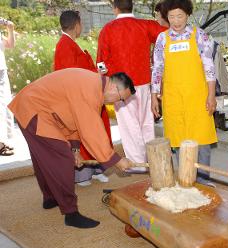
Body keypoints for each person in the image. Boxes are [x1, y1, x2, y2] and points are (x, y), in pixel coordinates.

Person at [8, 69, 134, 229]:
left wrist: (75, 149)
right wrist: (116, 159)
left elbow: (75, 121)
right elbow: (91, 130)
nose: (117, 103)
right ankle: (70, 213)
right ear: (114, 88)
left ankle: (50, 198)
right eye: (121, 99)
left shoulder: (93, 87)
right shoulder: (90, 88)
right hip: (34, 109)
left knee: (44, 157)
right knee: (61, 158)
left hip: (33, 107)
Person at [150, 0, 218, 185]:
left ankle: (203, 181)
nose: (176, 20)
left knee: (201, 140)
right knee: (178, 139)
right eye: (171, 16)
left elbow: (209, 67)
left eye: (180, 16)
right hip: (173, 98)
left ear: (187, 15)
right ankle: (185, 180)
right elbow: (157, 69)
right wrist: (153, 96)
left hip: (198, 97)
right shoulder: (162, 39)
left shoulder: (199, 35)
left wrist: (211, 95)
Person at [97, 0, 166, 173]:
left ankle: (137, 164)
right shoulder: (146, 25)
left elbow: (101, 62)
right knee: (146, 122)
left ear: (115, 8)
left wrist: (105, 80)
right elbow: (167, 35)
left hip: (120, 85)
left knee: (130, 124)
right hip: (144, 80)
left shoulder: (108, 29)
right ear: (132, 6)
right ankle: (152, 158)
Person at [54, 10, 111, 186]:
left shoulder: (69, 43)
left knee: (94, 129)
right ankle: (83, 174)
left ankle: (96, 169)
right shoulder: (65, 45)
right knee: (84, 132)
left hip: (86, 93)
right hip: (78, 97)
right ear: (77, 25)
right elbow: (70, 77)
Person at [0, 17, 15, 156]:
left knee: (6, 106)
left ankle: (4, 141)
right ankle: (1, 143)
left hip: (2, 72)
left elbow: (10, 45)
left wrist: (10, 29)